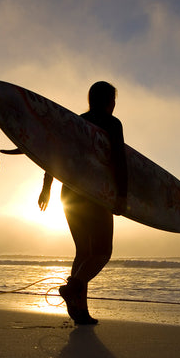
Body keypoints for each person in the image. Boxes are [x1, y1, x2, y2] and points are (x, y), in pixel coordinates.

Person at [38, 81, 128, 325]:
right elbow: (119, 160)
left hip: (68, 194)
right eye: (113, 100)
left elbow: (55, 156)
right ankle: (72, 288)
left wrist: (46, 188)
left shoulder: (75, 122)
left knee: (84, 253)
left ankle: (80, 312)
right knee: (102, 252)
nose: (114, 105)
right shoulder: (112, 123)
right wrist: (122, 195)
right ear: (109, 101)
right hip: (94, 195)